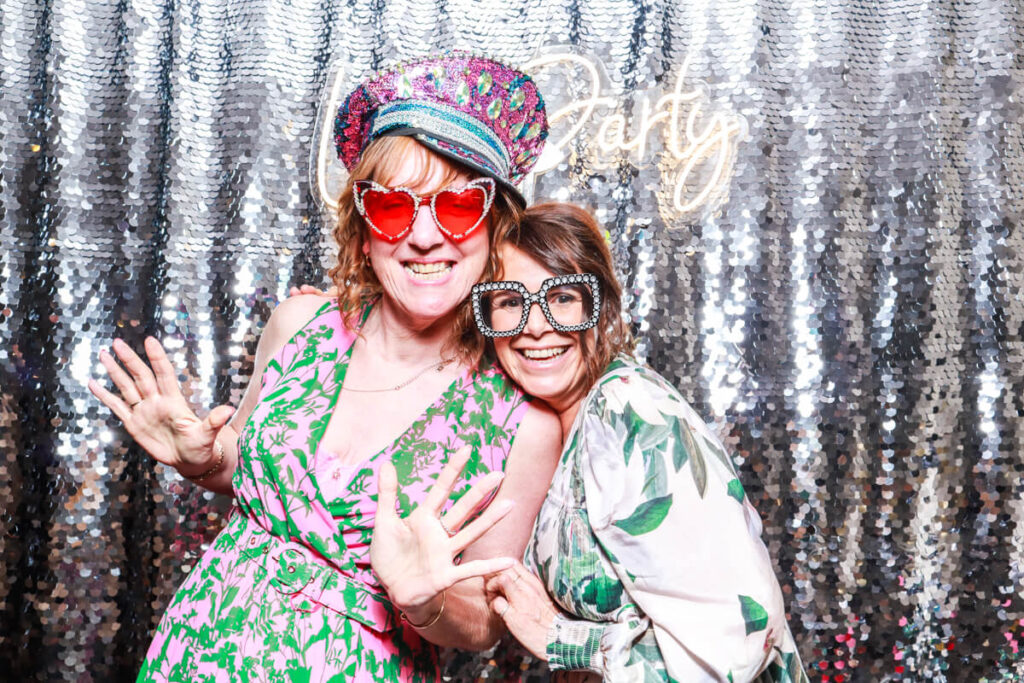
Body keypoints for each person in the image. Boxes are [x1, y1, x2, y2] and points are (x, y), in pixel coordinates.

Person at [87, 53, 562, 682]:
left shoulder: (521, 421)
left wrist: (425, 600)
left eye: (455, 207)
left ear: (494, 228)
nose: (423, 236)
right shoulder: (301, 325)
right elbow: (244, 470)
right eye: (394, 207)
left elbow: (482, 620)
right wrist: (201, 459)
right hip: (198, 650)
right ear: (365, 229)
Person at [474, 202, 809, 682]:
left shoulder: (627, 408)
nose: (536, 325)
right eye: (510, 301)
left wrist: (561, 638)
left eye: (563, 297)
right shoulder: (552, 423)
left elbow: (741, 636)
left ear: (600, 307)